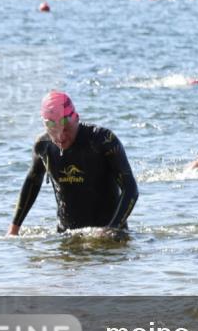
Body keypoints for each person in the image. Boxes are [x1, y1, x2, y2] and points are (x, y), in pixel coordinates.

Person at [8, 91, 138, 236]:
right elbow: (32, 183)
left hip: (108, 239)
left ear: (76, 118)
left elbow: (130, 189)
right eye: (54, 130)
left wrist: (112, 229)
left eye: (66, 129)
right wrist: (13, 230)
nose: (61, 137)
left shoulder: (103, 140)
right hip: (66, 237)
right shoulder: (43, 146)